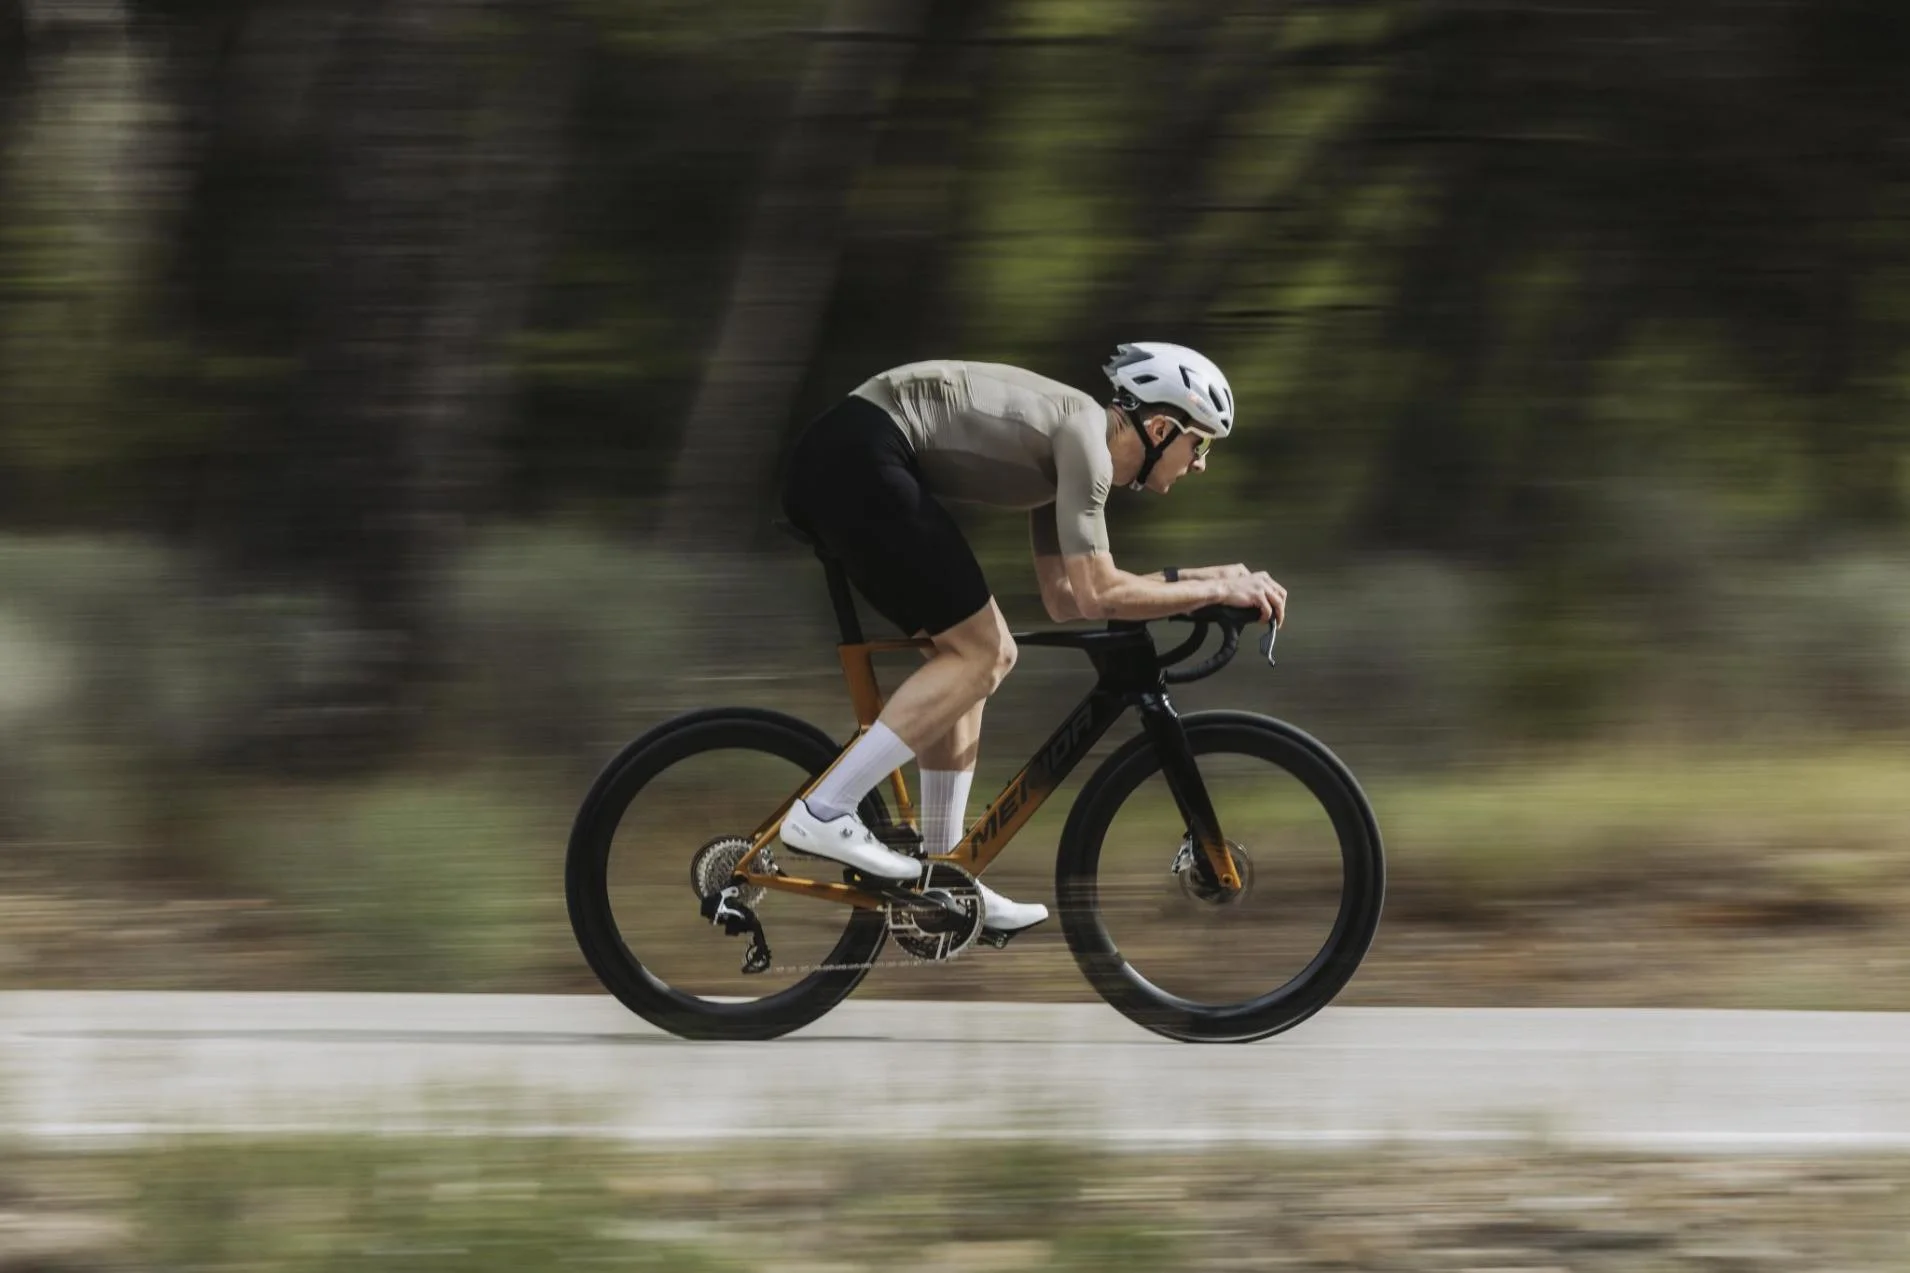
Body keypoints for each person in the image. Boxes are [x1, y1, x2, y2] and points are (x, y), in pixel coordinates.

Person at [777, 343, 1288, 935]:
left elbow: (1068, 597)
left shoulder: (1071, 456)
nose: (1199, 463)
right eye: (1198, 444)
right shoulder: (1086, 444)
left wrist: (1212, 579)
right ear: (1158, 427)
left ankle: (940, 878)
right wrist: (1214, 591)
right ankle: (825, 809)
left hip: (851, 456)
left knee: (967, 660)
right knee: (987, 652)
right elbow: (1101, 595)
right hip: (858, 454)